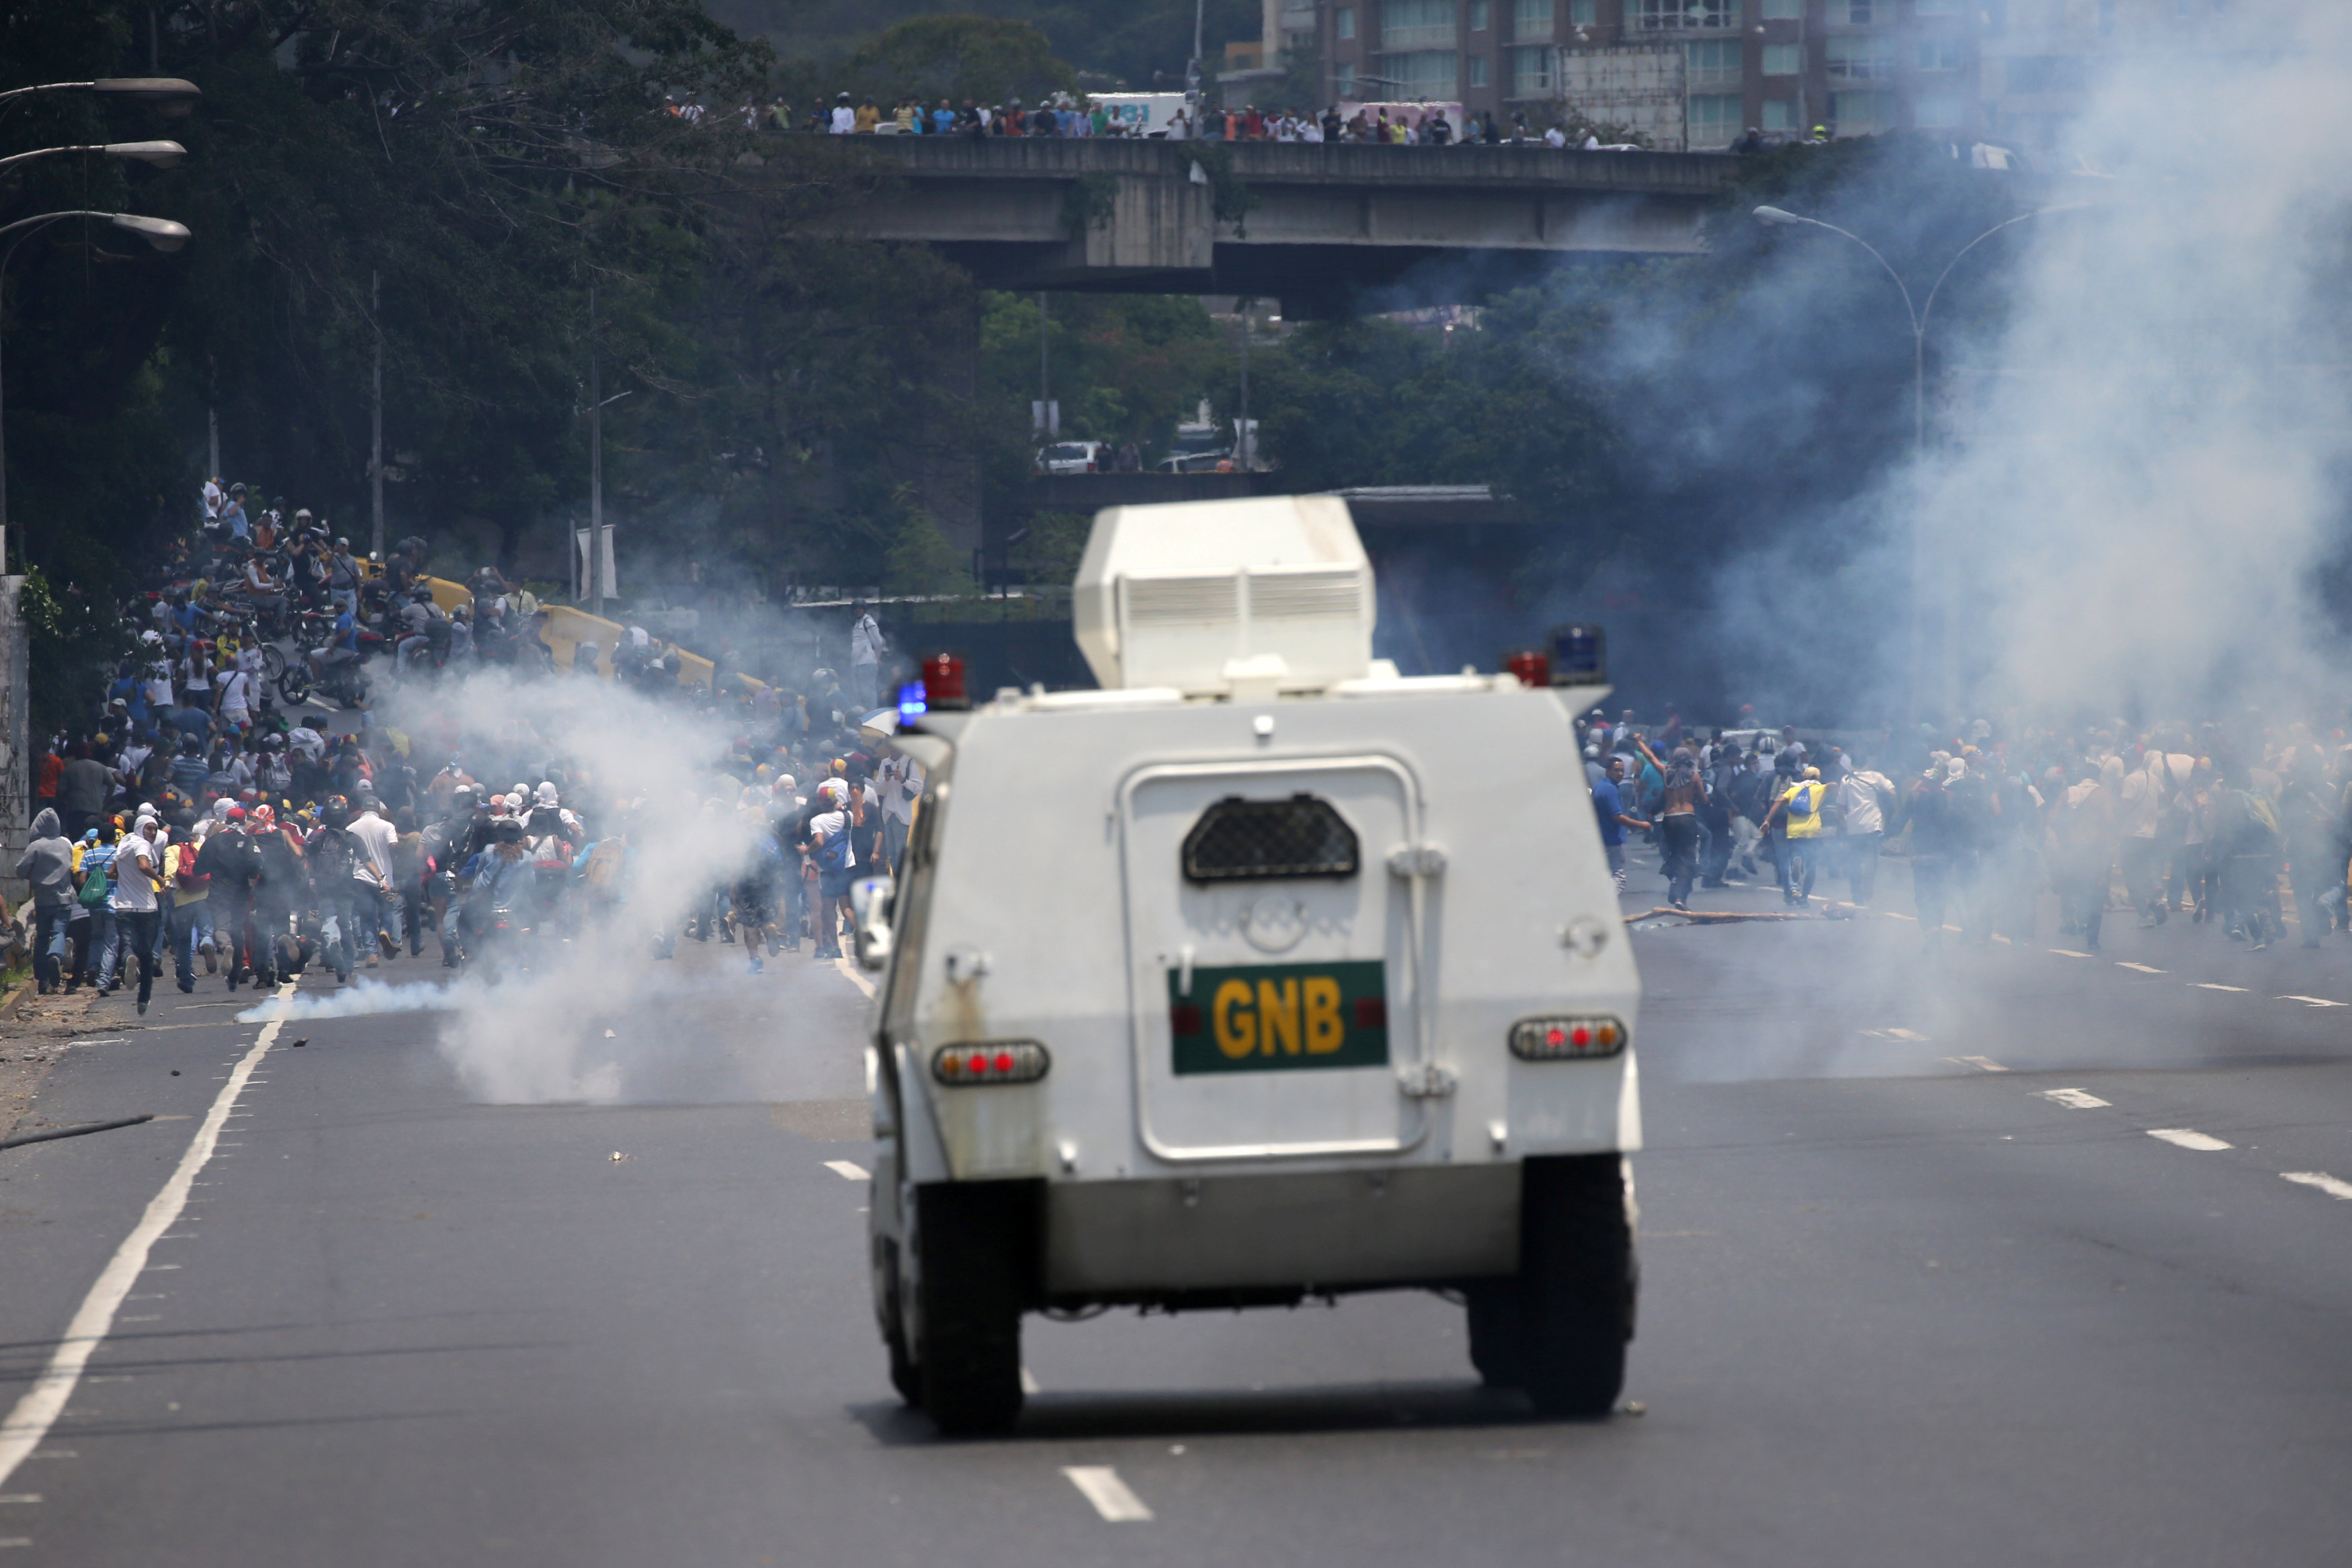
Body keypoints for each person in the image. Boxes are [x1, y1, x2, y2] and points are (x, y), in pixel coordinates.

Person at [104, 816, 167, 1013]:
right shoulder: (142, 845)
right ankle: (143, 999)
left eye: (155, 830)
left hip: (123, 906)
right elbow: (144, 866)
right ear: (141, 828)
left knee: (127, 943)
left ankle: (129, 958)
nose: (153, 833)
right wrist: (159, 879)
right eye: (149, 829)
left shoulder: (125, 844)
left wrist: (128, 879)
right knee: (147, 955)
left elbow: (112, 873)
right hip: (146, 907)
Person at [1635, 736, 1704, 910]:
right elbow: (1704, 799)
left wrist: (1641, 742)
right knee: (1688, 857)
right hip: (1687, 818)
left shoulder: (1665, 772)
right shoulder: (1695, 776)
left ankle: (1674, 879)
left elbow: (1651, 758)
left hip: (1670, 819)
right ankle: (1681, 896)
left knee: (1673, 854)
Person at [15, 808, 77, 994]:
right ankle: (56, 956)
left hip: (43, 899)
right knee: (59, 932)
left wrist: (35, 877)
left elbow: (20, 871)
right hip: (65, 897)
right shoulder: (66, 844)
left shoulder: (35, 846)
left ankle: (42, 980)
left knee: (42, 937)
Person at [1763, 765, 1829, 906]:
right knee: (1812, 866)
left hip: (1794, 831)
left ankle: (1791, 885)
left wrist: (1767, 820)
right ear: (1817, 778)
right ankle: (1804, 898)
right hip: (1812, 831)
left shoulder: (1793, 790)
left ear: (1804, 778)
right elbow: (1833, 786)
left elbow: (1778, 802)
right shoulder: (1819, 789)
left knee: (1793, 857)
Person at [1835, 758, 1896, 906]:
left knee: (1854, 862)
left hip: (1854, 827)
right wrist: (1889, 814)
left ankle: (1856, 894)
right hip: (1873, 825)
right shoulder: (1876, 776)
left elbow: (1840, 805)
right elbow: (1892, 793)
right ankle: (1868, 885)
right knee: (1871, 859)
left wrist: (1843, 822)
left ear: (1852, 765)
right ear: (1867, 764)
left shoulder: (1847, 780)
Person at [1591, 755, 1647, 896]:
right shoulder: (1610, 790)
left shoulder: (1600, 787)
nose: (1620, 774)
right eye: (1616, 770)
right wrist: (1641, 825)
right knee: (1618, 877)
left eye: (1622, 771)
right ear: (1608, 771)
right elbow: (1617, 816)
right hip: (1610, 838)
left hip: (1602, 837)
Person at [848, 601, 888, 712]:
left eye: (860, 608)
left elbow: (878, 642)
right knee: (861, 692)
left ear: (864, 609)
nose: (857, 610)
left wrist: (876, 658)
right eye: (855, 608)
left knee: (868, 691)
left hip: (867, 662)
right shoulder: (857, 624)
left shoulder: (868, 622)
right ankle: (865, 713)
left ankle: (872, 714)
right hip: (858, 663)